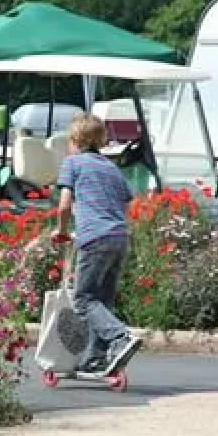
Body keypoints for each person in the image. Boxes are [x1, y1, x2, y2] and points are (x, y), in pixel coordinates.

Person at [52, 112, 142, 375]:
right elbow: (125, 200)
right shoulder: (111, 167)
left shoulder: (73, 163)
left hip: (94, 237)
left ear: (75, 140)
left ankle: (119, 337)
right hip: (119, 237)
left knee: (83, 299)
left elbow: (64, 205)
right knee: (102, 301)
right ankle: (96, 357)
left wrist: (61, 231)